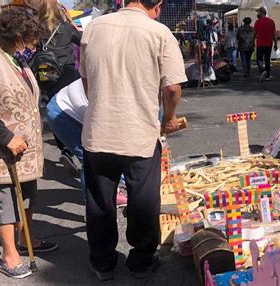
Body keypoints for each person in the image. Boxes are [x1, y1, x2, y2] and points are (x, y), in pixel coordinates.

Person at [80, 0, 186, 280]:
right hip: (139, 131)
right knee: (143, 199)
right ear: (158, 5)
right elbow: (173, 88)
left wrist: (101, 104)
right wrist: (168, 117)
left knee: (100, 201)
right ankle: (141, 260)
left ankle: (103, 263)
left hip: (98, 130)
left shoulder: (93, 28)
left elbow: (86, 81)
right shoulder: (159, 32)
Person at [0, 7, 58, 279]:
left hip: (26, 148)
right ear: (17, 36)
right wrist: (7, 137)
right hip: (2, 147)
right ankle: (9, 254)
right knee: (7, 199)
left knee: (29, 194)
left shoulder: (15, 59)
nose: (33, 47)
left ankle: (26, 239)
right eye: (30, 40)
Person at [45, 7, 127, 208]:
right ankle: (93, 205)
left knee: (104, 151)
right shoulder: (112, 81)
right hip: (62, 111)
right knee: (89, 156)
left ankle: (109, 192)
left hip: (71, 101)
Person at [38, 0, 82, 171]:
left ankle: (65, 149)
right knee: (72, 107)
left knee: (54, 109)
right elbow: (83, 40)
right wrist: (71, 23)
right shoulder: (65, 27)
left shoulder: (36, 28)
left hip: (47, 73)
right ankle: (77, 144)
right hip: (67, 72)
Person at [254, 6, 277, 82]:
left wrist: (252, 42)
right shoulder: (271, 21)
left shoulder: (257, 22)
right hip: (269, 44)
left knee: (259, 59)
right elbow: (274, 34)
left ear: (261, 12)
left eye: (258, 12)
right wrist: (276, 44)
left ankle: (262, 70)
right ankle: (267, 76)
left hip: (260, 44)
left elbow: (254, 33)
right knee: (267, 60)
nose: (257, 14)